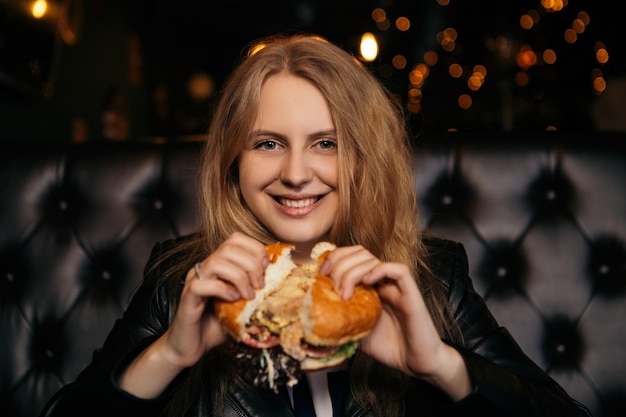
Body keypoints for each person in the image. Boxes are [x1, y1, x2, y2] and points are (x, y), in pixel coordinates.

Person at [41, 34, 591, 417]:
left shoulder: (431, 275)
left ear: (360, 159)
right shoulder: (180, 278)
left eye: (326, 144)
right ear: (235, 160)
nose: (296, 174)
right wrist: (170, 355)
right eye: (267, 143)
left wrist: (441, 366)